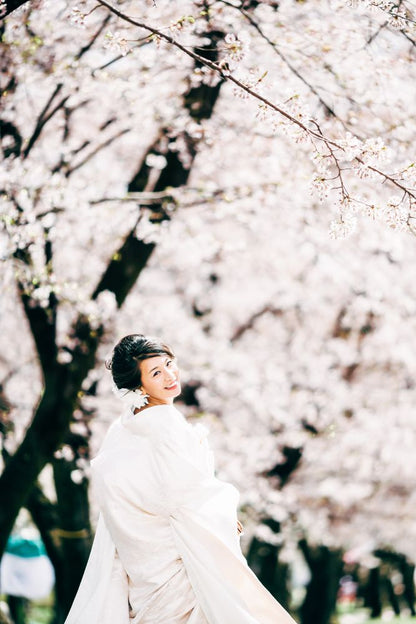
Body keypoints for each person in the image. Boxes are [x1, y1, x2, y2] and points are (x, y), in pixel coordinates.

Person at [64, 334, 298, 624]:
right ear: (139, 385)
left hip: (144, 565)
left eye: (169, 364)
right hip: (179, 562)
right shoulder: (165, 422)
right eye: (156, 373)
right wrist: (224, 516)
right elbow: (184, 494)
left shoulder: (124, 426)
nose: (170, 376)